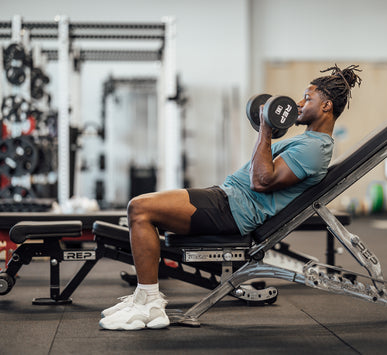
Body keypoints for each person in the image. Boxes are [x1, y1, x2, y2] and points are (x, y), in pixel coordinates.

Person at [99, 64, 362, 330]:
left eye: (307, 98)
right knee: (141, 210)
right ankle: (145, 298)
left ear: (326, 106)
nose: (298, 103)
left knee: (140, 208)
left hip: (234, 211)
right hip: (227, 200)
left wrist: (266, 129)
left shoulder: (315, 149)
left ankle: (150, 304)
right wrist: (268, 127)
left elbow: (262, 181)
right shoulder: (308, 141)